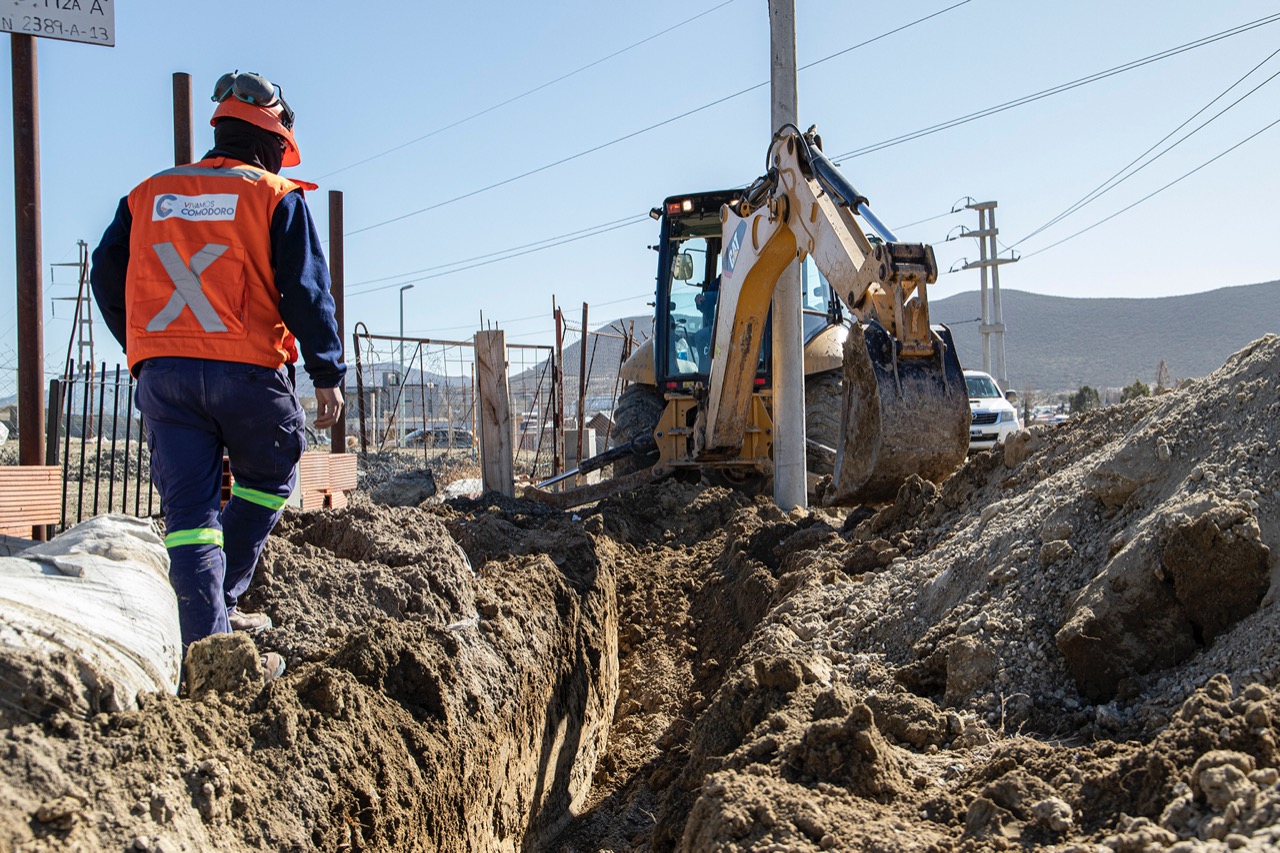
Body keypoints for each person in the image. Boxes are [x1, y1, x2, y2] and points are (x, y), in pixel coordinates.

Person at [90, 71, 345, 681]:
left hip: (165, 380)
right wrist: (326, 372)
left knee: (189, 515)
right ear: (277, 139)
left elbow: (104, 271)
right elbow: (307, 292)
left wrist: (144, 344)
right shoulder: (274, 195)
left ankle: (203, 642)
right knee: (272, 471)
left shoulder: (150, 192)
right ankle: (224, 603)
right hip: (246, 375)